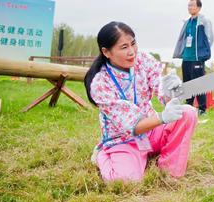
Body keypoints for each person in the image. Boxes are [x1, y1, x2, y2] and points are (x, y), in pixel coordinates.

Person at [84, 21, 197, 182]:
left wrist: (168, 91)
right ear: (106, 52)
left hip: (152, 132)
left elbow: (159, 88)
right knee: (125, 181)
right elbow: (130, 126)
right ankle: (103, 154)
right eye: (124, 47)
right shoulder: (100, 84)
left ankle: (168, 170)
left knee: (188, 113)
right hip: (124, 140)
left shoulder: (143, 60)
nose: (132, 52)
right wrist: (162, 117)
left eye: (133, 44)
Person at [173, 0, 214, 115]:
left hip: (197, 58)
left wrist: (202, 51)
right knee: (187, 83)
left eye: (192, 5)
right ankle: (188, 107)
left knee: (199, 83)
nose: (190, 7)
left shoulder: (204, 21)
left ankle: (202, 108)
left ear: (199, 7)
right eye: (189, 5)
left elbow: (210, 38)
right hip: (187, 57)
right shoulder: (187, 22)